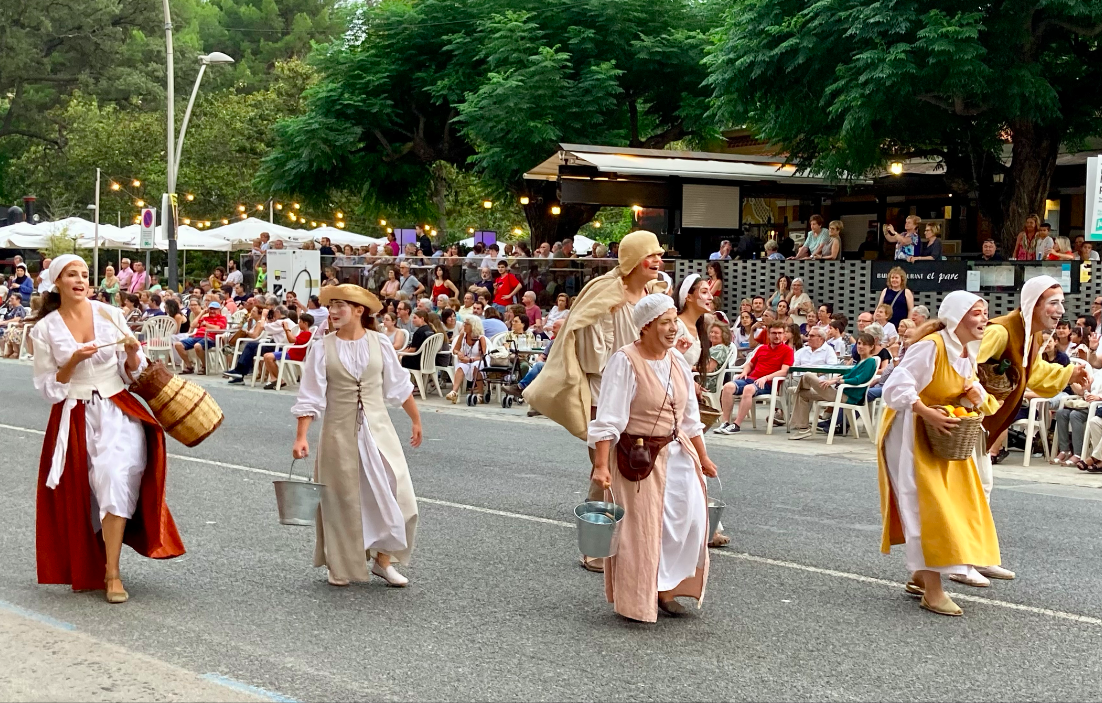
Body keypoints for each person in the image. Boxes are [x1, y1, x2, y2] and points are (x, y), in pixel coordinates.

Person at [30, 255, 184, 603]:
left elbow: (135, 371)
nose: (81, 280)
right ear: (57, 282)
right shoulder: (44, 329)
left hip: (117, 409)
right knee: (87, 492)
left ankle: (112, 572)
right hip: (75, 412)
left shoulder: (111, 315)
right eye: (72, 274)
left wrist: (131, 355)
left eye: (85, 274)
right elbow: (46, 387)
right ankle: (90, 558)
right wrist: (72, 361)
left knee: (115, 477)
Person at [524, 230, 668, 572]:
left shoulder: (653, 293)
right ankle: (594, 546)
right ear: (635, 260)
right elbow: (591, 358)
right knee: (605, 470)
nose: (659, 262)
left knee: (641, 467)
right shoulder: (606, 295)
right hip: (607, 391)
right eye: (653, 256)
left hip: (644, 392)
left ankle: (635, 542)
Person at [588, 294, 717, 622]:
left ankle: (667, 583)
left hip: (678, 452)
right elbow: (609, 418)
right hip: (639, 457)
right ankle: (644, 594)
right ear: (645, 327)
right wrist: (601, 465)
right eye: (665, 323)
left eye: (675, 321)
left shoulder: (676, 360)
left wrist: (703, 456)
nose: (674, 328)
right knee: (643, 529)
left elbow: (689, 416)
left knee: (690, 520)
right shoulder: (626, 360)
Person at [877, 291, 1004, 616]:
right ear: (957, 317)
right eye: (977, 313)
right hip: (909, 433)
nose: (984, 319)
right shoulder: (930, 347)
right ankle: (933, 591)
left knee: (952, 503)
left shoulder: (965, 352)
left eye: (985, 313)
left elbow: (960, 391)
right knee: (926, 505)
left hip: (942, 435)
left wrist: (973, 394)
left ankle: (922, 576)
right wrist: (926, 410)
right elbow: (895, 388)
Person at [290, 285, 422, 587]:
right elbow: (310, 394)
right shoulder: (323, 346)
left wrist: (415, 419)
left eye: (340, 305)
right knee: (342, 499)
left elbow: (399, 385)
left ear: (359, 310)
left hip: (379, 431)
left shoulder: (380, 342)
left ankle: (383, 560)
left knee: (398, 494)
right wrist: (301, 437)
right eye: (331, 305)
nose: (333, 311)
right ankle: (339, 563)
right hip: (338, 432)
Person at [971, 275, 1087, 584]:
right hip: (966, 422)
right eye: (1053, 302)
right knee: (971, 489)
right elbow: (965, 363)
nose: (1060, 309)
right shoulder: (1001, 331)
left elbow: (1034, 374)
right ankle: (957, 561)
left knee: (981, 487)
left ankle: (975, 556)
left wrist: (1070, 371)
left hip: (984, 426)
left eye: (1062, 302)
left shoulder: (1031, 337)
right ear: (1033, 304)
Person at [789, 331, 877, 439]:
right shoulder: (861, 361)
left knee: (808, 375)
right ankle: (803, 429)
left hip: (846, 396)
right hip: (838, 392)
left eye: (864, 344)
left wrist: (836, 381)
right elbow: (847, 375)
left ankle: (796, 390)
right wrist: (835, 379)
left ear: (871, 347)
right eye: (859, 343)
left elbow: (858, 380)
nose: (860, 346)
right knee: (802, 394)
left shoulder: (870, 361)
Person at [714, 322, 793, 434]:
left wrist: (765, 378)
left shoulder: (787, 351)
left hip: (768, 383)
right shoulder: (762, 349)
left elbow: (784, 371)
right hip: (751, 379)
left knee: (748, 389)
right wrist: (744, 372)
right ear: (768, 335)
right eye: (774, 333)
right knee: (728, 387)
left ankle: (736, 425)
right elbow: (750, 364)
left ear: (784, 335)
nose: (777, 336)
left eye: (780, 333)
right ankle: (725, 422)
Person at [175, 302, 227, 375]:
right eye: (211, 309)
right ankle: (189, 366)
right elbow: (193, 325)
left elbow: (218, 329)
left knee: (197, 346)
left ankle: (204, 367)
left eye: (214, 309)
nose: (212, 311)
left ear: (219, 310)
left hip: (210, 338)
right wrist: (201, 313)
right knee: (178, 345)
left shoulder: (222, 318)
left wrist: (206, 324)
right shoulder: (205, 317)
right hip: (197, 337)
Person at [446, 316, 488, 403]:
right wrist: (459, 353)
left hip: (478, 360)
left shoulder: (481, 338)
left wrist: (470, 360)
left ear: (474, 326)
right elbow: (455, 350)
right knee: (461, 366)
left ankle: (480, 393)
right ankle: (454, 392)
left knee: (476, 366)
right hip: (466, 360)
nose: (464, 325)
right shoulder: (462, 336)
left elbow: (483, 356)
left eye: (466, 324)